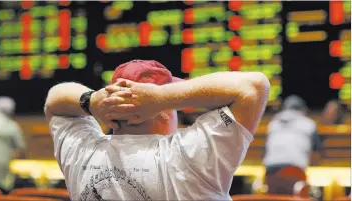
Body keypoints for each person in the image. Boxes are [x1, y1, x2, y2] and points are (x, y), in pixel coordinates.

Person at [44, 60, 270, 200]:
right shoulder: (189, 156)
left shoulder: (82, 154)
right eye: (171, 106)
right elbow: (253, 86)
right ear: (161, 110)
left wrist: (91, 101)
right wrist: (163, 98)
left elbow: (55, 101)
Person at [263, 95, 322, 195]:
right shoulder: (308, 123)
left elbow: (266, 150)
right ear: (302, 109)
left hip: (270, 171)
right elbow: (316, 152)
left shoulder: (273, 123)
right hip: (294, 170)